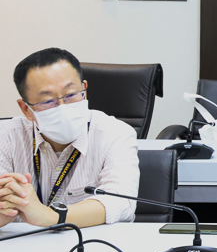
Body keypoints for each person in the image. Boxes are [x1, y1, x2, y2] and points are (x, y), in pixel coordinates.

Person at [0, 48, 139, 229]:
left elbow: (121, 202)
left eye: (71, 95)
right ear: (26, 109)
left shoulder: (115, 133)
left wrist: (50, 216)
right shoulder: (6, 137)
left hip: (90, 243)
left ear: (84, 90)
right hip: (19, 244)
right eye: (47, 101)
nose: (62, 107)